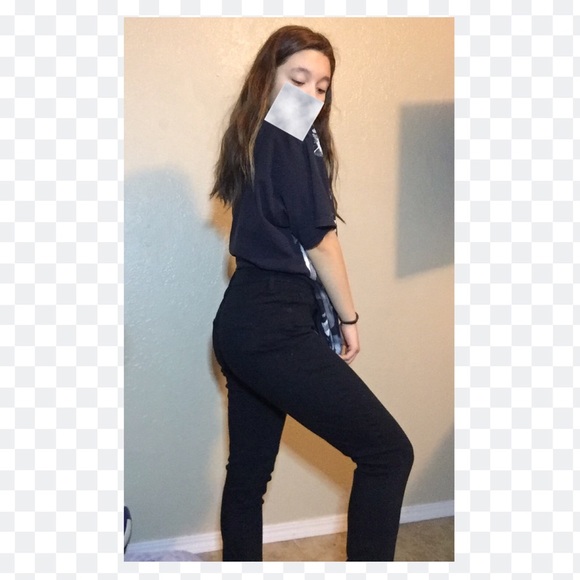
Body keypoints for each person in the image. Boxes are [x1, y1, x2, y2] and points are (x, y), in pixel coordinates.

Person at [210, 25, 414, 562]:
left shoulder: (254, 135)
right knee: (389, 453)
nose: (310, 96)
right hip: (273, 320)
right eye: (298, 79)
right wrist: (349, 318)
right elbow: (320, 241)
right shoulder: (289, 129)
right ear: (268, 78)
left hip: (242, 319)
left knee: (247, 477)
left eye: (322, 87)